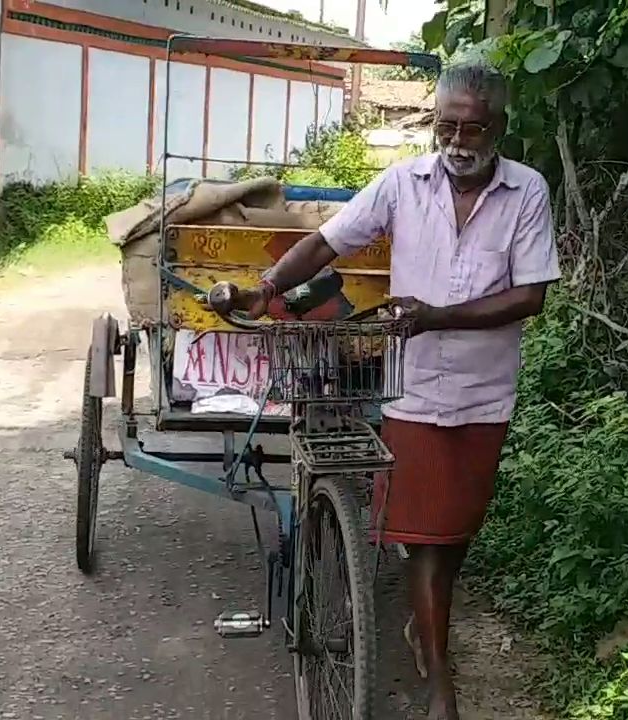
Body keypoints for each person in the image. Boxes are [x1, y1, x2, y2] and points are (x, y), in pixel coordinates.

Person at [208, 60, 559, 720]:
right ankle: (439, 684)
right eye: (444, 125)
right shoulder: (403, 183)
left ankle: (423, 633)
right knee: (426, 539)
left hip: (486, 392)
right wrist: (266, 289)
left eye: (472, 129)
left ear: (500, 129)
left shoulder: (528, 192)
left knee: (454, 537)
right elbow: (327, 242)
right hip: (417, 388)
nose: (456, 141)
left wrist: (437, 315)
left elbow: (531, 294)